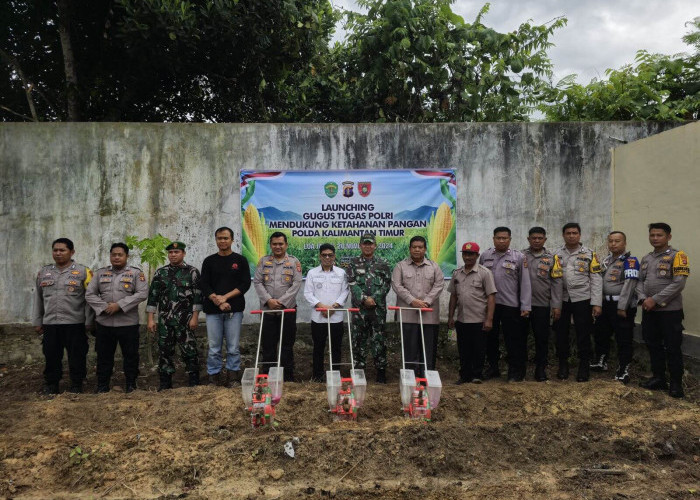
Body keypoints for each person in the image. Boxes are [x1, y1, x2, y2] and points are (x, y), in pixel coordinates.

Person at [32, 238, 94, 394]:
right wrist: (38, 321)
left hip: (75, 323)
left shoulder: (83, 272)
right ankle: (52, 384)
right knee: (51, 355)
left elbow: (90, 299)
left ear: (72, 252)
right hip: (51, 323)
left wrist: (89, 321)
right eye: (55, 250)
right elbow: (38, 298)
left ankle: (76, 384)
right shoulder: (44, 272)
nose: (58, 253)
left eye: (62, 250)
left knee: (77, 355)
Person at [86, 243, 148, 393]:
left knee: (131, 356)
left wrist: (119, 305)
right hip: (104, 324)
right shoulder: (100, 273)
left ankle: (131, 385)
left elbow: (142, 293)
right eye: (114, 254)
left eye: (120, 254)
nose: (116, 257)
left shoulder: (135, 274)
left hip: (128, 324)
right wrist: (104, 307)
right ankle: (102, 385)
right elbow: (89, 294)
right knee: (104, 357)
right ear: (110, 256)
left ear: (127, 256)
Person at [637, 223, 689, 398]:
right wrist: (644, 299)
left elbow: (679, 283)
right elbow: (639, 282)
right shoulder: (646, 258)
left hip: (670, 311)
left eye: (659, 235)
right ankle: (659, 377)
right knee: (653, 344)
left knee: (672, 347)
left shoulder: (678, 256)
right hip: (649, 310)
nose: (655, 238)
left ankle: (675, 383)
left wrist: (656, 300)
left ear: (668, 237)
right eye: (652, 235)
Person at [146, 241, 203, 390]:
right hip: (165, 320)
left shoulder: (192, 272)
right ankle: (165, 383)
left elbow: (197, 297)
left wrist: (195, 317)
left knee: (189, 350)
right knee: (164, 350)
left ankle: (194, 382)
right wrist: (151, 319)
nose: (173, 255)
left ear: (183, 253)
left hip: (186, 319)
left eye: (176, 252)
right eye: (170, 252)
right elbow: (153, 296)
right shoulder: (161, 273)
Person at [479, 227, 531, 381]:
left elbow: (525, 283)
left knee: (513, 340)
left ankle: (514, 371)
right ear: (493, 239)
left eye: (504, 238)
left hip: (510, 305)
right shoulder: (485, 256)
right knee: (490, 338)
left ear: (510, 239)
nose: (501, 241)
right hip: (490, 306)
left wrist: (525, 306)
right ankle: (493, 367)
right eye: (498, 238)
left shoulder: (519, 257)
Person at [200, 227, 251, 387]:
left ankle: (233, 377)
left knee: (233, 347)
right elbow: (204, 284)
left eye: (225, 238)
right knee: (214, 347)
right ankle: (213, 377)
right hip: (213, 310)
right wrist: (217, 300)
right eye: (219, 238)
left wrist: (225, 298)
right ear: (216, 240)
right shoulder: (209, 261)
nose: (222, 241)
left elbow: (245, 284)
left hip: (234, 310)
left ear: (232, 240)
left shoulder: (240, 260)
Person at [552, 223, 603, 382]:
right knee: (561, 333)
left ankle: (584, 366)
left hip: (583, 298)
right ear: (563, 235)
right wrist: (555, 304)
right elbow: (554, 280)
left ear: (580, 235)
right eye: (568, 233)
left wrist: (596, 303)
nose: (571, 236)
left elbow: (596, 278)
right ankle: (563, 364)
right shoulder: (556, 254)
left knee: (583, 333)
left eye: (575, 233)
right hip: (562, 300)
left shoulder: (590, 254)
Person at [392, 235, 444, 377]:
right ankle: (410, 377)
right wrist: (412, 301)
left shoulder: (434, 266)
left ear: (425, 249)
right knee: (409, 349)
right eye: (414, 247)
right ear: (410, 249)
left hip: (429, 316)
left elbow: (439, 284)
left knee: (428, 349)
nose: (417, 250)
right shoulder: (400, 266)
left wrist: (426, 301)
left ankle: (427, 377)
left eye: (420, 247)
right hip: (408, 315)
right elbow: (397, 285)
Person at [253, 231, 302, 382]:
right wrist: (268, 300)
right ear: (271, 245)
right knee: (268, 346)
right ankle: (268, 377)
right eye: (274, 244)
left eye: (281, 244)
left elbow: (296, 283)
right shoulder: (263, 261)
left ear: (286, 245)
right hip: (268, 311)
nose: (278, 246)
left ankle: (288, 377)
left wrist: (281, 302)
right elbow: (257, 282)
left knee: (287, 345)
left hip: (287, 310)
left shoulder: (294, 262)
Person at [591, 231, 639, 384]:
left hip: (621, 306)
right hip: (605, 304)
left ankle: (623, 369)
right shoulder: (606, 260)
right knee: (601, 333)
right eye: (610, 241)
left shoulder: (630, 261)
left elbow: (630, 285)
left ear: (624, 243)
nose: (613, 244)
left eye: (617, 241)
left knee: (623, 338)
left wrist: (622, 306)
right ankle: (601, 362)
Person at [447, 242, 496, 384]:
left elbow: (491, 296)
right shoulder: (457, 273)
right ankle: (464, 376)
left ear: (477, 255)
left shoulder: (485, 273)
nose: (468, 257)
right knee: (463, 350)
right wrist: (451, 317)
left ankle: (477, 375)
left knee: (479, 350)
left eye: (471, 254)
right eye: (465, 254)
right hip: (462, 319)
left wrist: (489, 319)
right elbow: (453, 296)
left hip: (479, 319)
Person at [347, 232, 392, 383]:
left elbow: (387, 284)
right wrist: (365, 299)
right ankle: (359, 372)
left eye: (370, 243)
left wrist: (375, 298)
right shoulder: (353, 263)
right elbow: (352, 283)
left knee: (378, 339)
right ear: (360, 245)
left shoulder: (383, 262)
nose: (367, 246)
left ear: (375, 245)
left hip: (378, 310)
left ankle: (380, 372)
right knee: (358, 340)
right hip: (359, 310)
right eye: (365, 243)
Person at [303, 243, 349, 382]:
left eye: (330, 255)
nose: (327, 258)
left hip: (336, 317)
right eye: (324, 255)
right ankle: (317, 375)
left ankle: (335, 374)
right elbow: (308, 293)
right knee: (318, 347)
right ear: (320, 256)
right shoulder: (312, 273)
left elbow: (345, 291)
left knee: (336, 347)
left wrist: (334, 307)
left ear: (334, 256)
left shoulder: (341, 273)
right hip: (318, 317)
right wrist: (322, 307)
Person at [522, 227, 562, 382]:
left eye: (540, 238)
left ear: (545, 239)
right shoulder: (521, 256)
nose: (537, 240)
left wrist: (556, 305)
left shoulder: (552, 258)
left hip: (542, 305)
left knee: (541, 338)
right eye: (533, 238)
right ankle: (520, 369)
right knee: (520, 338)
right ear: (528, 239)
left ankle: (540, 369)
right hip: (523, 305)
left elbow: (557, 283)